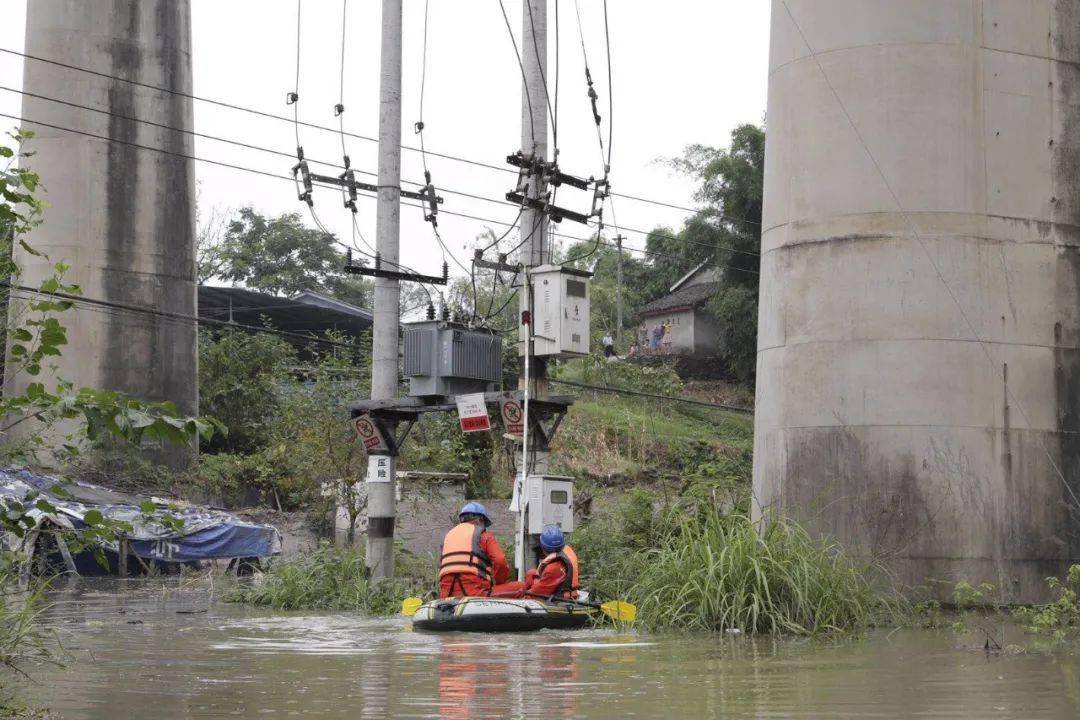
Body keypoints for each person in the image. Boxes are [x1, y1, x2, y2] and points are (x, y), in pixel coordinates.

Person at [438, 502, 511, 598]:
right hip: (475, 592)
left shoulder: (448, 536)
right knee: (520, 587)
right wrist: (500, 583)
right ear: (480, 520)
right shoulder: (483, 536)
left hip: (447, 595)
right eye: (484, 523)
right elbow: (500, 561)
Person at [491, 525, 579, 600]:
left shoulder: (554, 568)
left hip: (558, 599)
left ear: (543, 547)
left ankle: (490, 594)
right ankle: (494, 591)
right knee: (531, 573)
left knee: (520, 589)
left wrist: (522, 596)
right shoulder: (566, 551)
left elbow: (535, 596)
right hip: (558, 589)